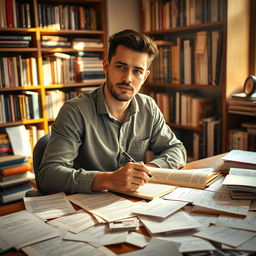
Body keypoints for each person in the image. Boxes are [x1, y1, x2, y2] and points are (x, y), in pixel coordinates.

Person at [38, 29, 187, 194]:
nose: (128, 78)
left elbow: (176, 149)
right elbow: (49, 175)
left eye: (137, 71)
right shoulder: (75, 111)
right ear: (106, 66)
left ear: (144, 77)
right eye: (121, 67)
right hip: (85, 207)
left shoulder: (148, 107)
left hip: (131, 203)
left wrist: (145, 171)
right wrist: (108, 180)